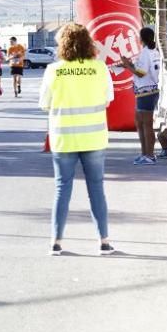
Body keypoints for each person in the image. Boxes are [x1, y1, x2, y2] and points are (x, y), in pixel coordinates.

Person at [39, 23, 115, 256]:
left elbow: (45, 104)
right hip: (93, 138)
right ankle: (103, 241)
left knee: (62, 189)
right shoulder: (100, 68)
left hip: (64, 139)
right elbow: (107, 99)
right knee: (96, 189)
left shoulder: (53, 71)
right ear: (87, 43)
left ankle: (56, 242)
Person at [119, 27, 162, 166]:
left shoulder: (145, 52)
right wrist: (130, 65)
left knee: (146, 125)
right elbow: (142, 70)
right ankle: (145, 154)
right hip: (146, 91)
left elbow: (141, 73)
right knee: (140, 123)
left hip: (146, 91)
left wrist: (127, 65)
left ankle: (149, 155)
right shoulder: (153, 51)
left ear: (141, 38)